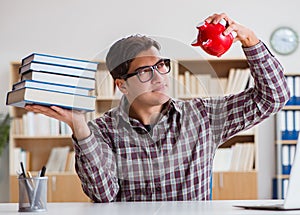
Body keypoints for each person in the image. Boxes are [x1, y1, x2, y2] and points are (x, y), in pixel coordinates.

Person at [25, 13, 290, 202]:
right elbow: (103, 195)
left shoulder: (203, 117)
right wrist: (80, 128)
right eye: (144, 72)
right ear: (122, 85)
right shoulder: (101, 132)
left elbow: (275, 96)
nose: (159, 76)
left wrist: (249, 39)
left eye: (161, 65)